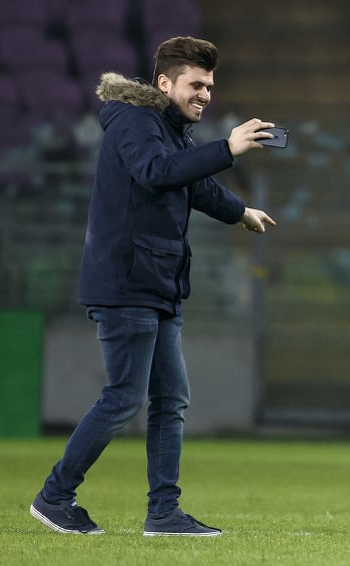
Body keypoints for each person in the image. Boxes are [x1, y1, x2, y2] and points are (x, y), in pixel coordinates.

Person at [29, 36, 278, 537]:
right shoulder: (134, 121)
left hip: (158, 282)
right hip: (127, 281)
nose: (205, 93)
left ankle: (163, 513)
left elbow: (191, 183)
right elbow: (157, 172)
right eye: (196, 84)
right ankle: (55, 496)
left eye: (209, 85)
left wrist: (239, 211)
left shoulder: (167, 128)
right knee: (125, 396)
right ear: (164, 83)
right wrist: (227, 148)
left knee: (170, 400)